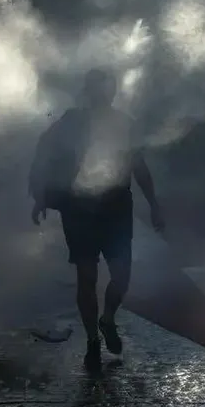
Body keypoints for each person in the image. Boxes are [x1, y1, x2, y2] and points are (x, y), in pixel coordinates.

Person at [29, 68, 165, 371]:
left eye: (108, 89)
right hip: (80, 206)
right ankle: (92, 340)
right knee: (86, 276)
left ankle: (107, 319)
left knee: (121, 276)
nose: (104, 95)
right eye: (98, 89)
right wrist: (41, 196)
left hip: (115, 204)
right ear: (89, 92)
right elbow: (46, 157)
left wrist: (154, 204)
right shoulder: (71, 123)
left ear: (113, 92)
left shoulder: (125, 123)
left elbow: (139, 166)